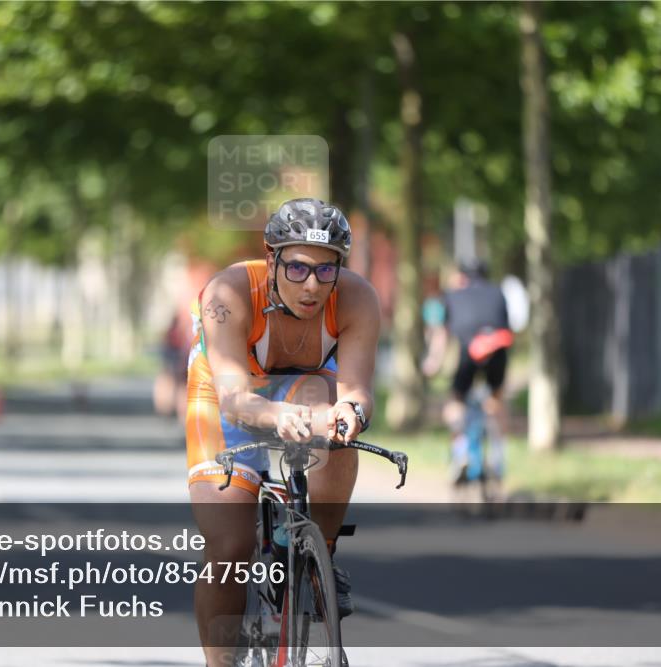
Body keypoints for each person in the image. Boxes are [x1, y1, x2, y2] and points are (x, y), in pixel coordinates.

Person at [186, 198, 380, 666]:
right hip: (227, 392)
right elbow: (235, 399)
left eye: (325, 271)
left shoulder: (357, 299)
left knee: (335, 424)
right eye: (296, 269)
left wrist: (350, 413)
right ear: (270, 259)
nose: (312, 285)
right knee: (230, 547)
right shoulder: (226, 294)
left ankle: (320, 560)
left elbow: (355, 391)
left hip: (303, 384)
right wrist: (275, 416)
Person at [421, 259, 513, 482]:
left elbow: (441, 336)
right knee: (495, 401)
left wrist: (433, 362)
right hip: (498, 348)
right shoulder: (498, 292)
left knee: (455, 402)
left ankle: (461, 451)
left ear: (462, 277)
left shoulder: (453, 295)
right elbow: (507, 327)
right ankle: (498, 457)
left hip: (470, 351)